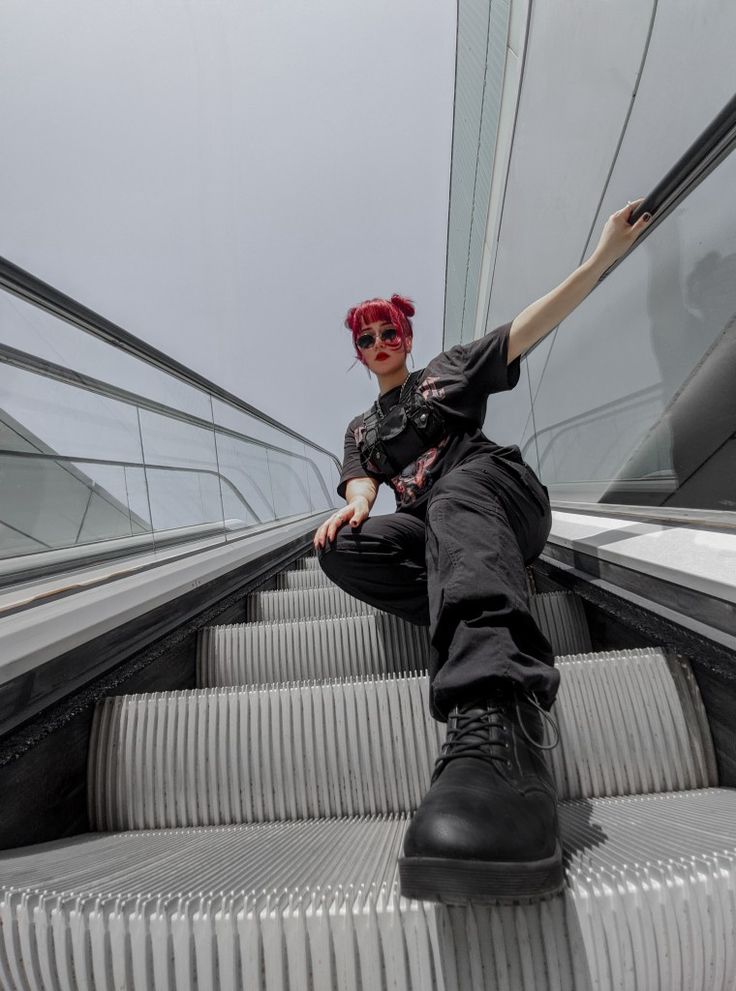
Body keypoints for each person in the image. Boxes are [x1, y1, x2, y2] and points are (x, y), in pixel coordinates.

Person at [314, 199, 653, 904]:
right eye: (366, 336)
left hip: (496, 493)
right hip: (442, 533)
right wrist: (356, 504)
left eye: (389, 329)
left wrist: (601, 260)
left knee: (455, 495)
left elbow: (528, 327)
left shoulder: (446, 372)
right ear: (357, 351)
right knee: (345, 550)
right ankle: (477, 585)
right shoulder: (360, 425)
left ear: (406, 336)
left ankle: (499, 711)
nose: (378, 340)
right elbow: (360, 478)